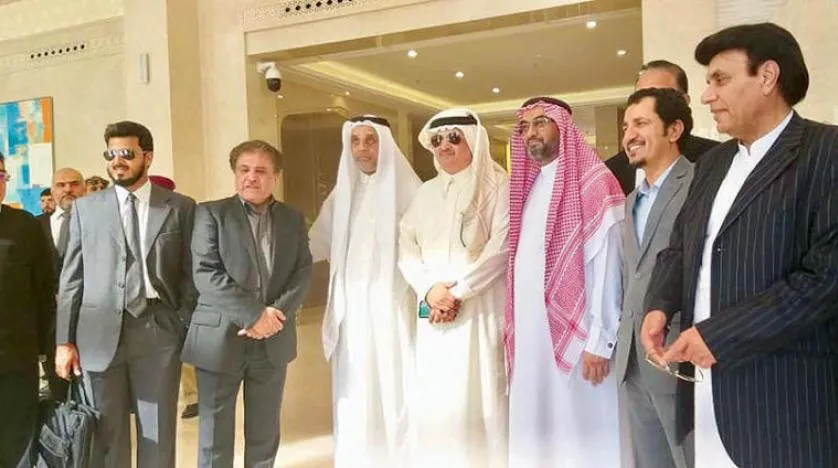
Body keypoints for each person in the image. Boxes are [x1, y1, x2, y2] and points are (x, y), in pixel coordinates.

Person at [642, 23, 838, 468]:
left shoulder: (827, 153)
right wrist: (659, 305)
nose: (706, 96)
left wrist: (718, 336)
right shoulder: (712, 163)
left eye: (720, 79)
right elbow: (681, 245)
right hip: (707, 398)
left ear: (767, 77)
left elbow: (824, 280)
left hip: (786, 403)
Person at [54, 121, 197, 467]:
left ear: (147, 157)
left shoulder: (179, 207)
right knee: (106, 436)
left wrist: (181, 324)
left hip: (157, 330)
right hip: (97, 335)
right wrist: (64, 341)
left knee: (158, 433)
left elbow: (190, 274)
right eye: (111, 154)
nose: (117, 161)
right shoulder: (85, 209)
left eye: (126, 153)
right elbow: (71, 279)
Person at [507, 96, 625, 467]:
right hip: (532, 336)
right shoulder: (529, 188)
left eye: (541, 123)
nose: (531, 133)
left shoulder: (595, 184)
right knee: (537, 424)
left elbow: (609, 268)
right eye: (525, 126)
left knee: (581, 429)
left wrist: (600, 341)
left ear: (565, 128)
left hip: (582, 338)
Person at [182, 139, 313, 468]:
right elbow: (206, 273)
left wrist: (274, 315)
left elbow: (302, 271)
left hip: (273, 340)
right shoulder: (211, 213)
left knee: (264, 433)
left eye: (261, 171)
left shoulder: (292, 218)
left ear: (275, 177)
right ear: (235, 173)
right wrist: (255, 316)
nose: (251, 177)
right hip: (219, 339)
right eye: (244, 169)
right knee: (214, 435)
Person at [398, 108, 509, 467]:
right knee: (438, 395)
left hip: (479, 309)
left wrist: (458, 292)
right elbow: (406, 246)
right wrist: (429, 290)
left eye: (454, 137)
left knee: (481, 393)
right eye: (437, 139)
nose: (444, 145)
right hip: (434, 311)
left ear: (473, 141)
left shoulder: (498, 186)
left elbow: (502, 247)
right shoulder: (426, 192)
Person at [309, 115, 421, 466]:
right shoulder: (342, 195)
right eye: (355, 141)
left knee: (395, 381)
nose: (362, 149)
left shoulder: (411, 191)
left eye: (370, 140)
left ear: (384, 144)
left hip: (395, 308)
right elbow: (313, 245)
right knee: (355, 382)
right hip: (353, 311)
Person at [614, 88, 695, 468]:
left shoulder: (699, 186)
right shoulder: (631, 200)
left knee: (689, 459)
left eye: (641, 123)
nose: (629, 135)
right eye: (626, 126)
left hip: (677, 352)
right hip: (632, 357)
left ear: (674, 129)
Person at [0, 151, 54, 468]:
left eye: (0, 175)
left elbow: (43, 289)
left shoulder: (24, 225)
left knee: (16, 440)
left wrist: (44, 347)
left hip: (16, 355)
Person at [606, 60, 718, 195]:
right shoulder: (610, 172)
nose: (647, 103)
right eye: (640, 96)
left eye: (660, 95)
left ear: (684, 101)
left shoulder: (716, 159)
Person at [147, 174, 199, 420]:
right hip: (149, 306)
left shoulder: (182, 214)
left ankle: (193, 397)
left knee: (186, 354)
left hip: (179, 301)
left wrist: (186, 305)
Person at [36, 167, 86, 401]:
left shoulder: (99, 223)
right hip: (50, 326)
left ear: (83, 188)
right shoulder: (35, 226)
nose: (68, 189)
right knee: (58, 395)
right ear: (52, 190)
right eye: (61, 185)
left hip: (89, 320)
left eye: (74, 184)